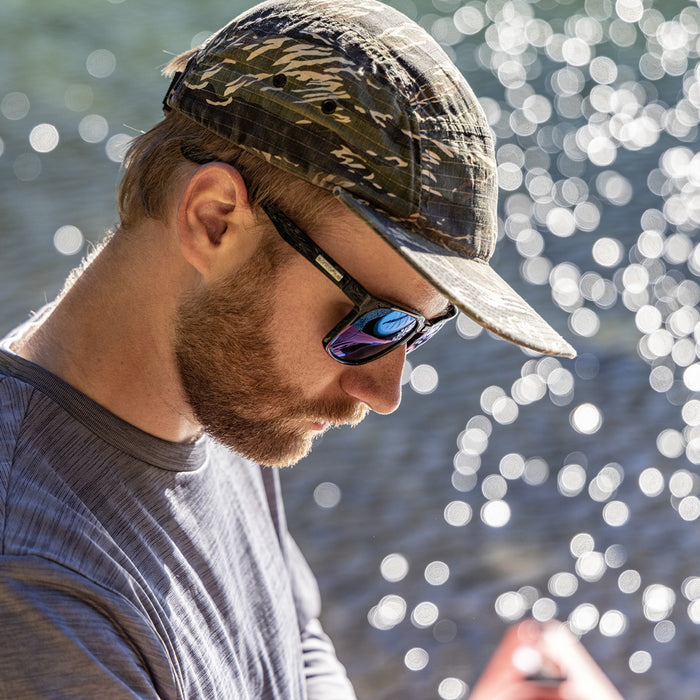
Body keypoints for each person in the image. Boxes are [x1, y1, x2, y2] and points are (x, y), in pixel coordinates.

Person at [0, 0, 575, 697]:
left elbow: (292, 638)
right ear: (214, 220)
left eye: (416, 329)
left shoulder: (222, 388)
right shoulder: (35, 594)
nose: (383, 393)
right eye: (371, 321)